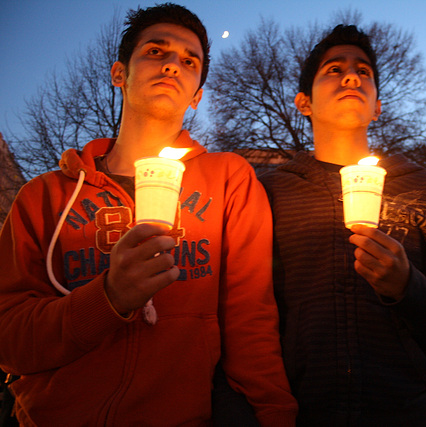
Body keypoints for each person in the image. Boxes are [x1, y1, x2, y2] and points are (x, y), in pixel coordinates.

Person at [0, 4, 297, 426]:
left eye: (189, 61)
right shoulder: (43, 197)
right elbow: (9, 338)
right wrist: (108, 298)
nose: (173, 64)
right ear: (119, 73)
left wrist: (275, 416)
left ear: (196, 96)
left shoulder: (229, 180)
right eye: (156, 51)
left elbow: (252, 321)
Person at [258, 24, 426, 426]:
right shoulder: (269, 193)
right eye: (333, 69)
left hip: (404, 414)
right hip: (299, 413)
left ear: (378, 106)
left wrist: (407, 287)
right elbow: (247, 315)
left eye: (364, 72)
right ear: (303, 102)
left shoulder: (423, 189)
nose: (351, 76)